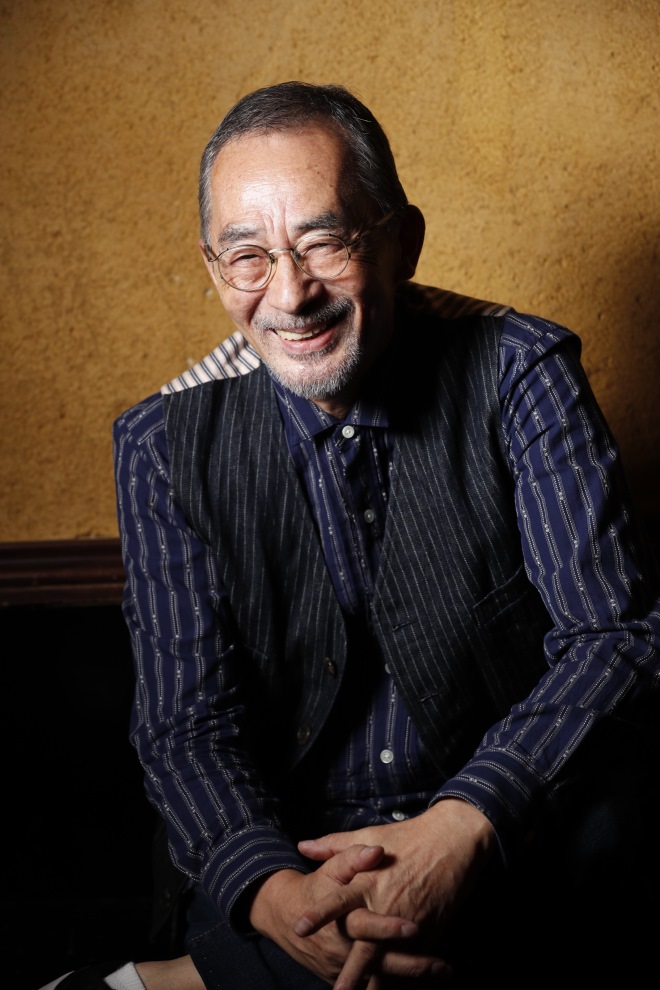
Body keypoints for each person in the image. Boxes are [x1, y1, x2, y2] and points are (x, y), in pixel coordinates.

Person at [41, 81, 660, 990]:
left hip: (508, 823)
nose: (290, 294)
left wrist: (463, 824)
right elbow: (185, 726)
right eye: (247, 257)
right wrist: (277, 900)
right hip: (294, 841)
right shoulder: (161, 444)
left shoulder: (521, 371)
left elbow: (614, 635)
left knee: (607, 840)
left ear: (402, 242)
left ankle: (182, 980)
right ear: (213, 269)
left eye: (325, 242)